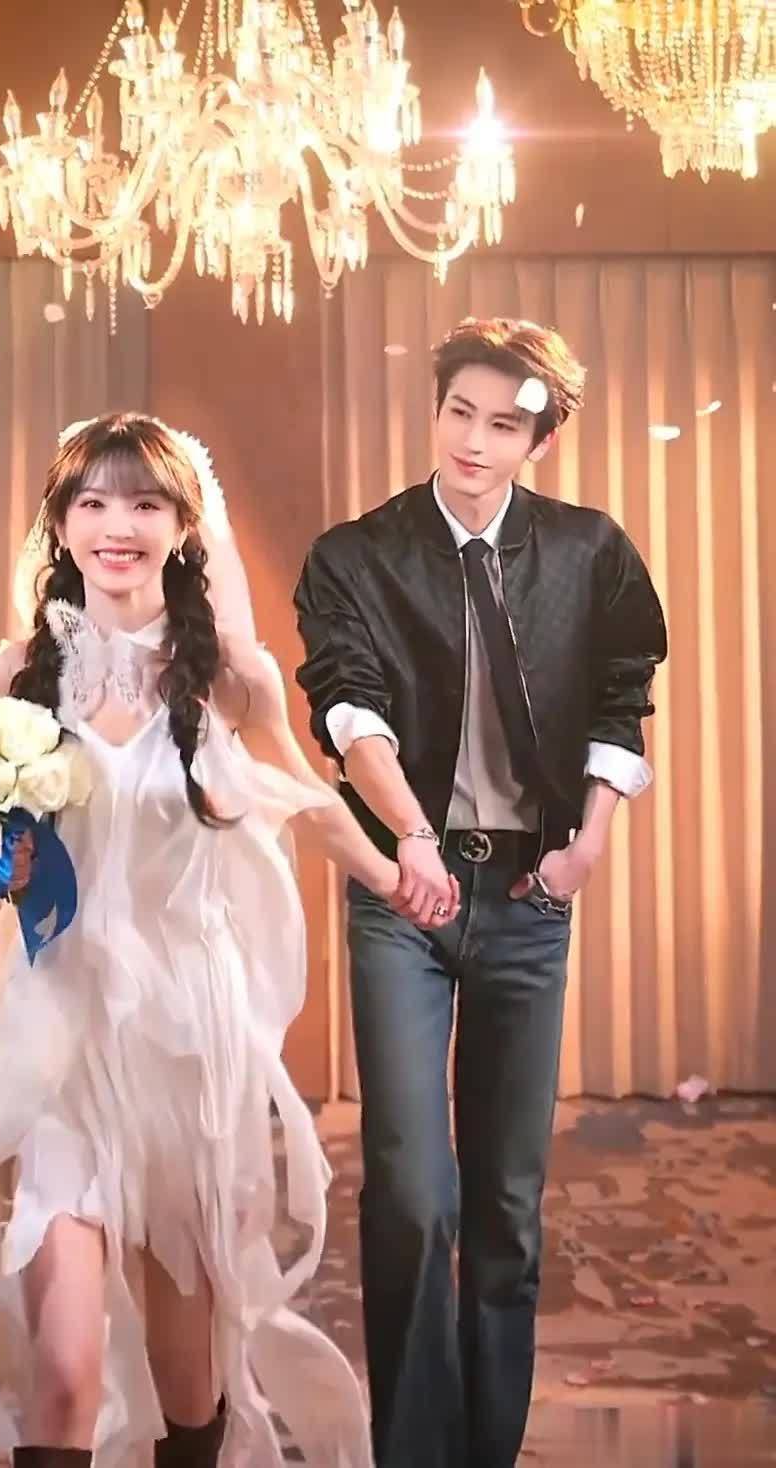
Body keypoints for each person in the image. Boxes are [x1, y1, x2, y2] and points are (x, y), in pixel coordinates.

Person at [0, 413, 416, 1468]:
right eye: (93, 501)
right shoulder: (18, 672)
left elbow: (303, 796)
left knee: (189, 1384)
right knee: (63, 1372)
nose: (118, 525)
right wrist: (2, 857)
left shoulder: (230, 674)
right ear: (61, 523)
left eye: (144, 503)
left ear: (184, 526)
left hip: (186, 1042)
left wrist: (395, 871)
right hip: (61, 1034)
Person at [293, 318, 668, 1468]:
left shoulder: (591, 552)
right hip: (403, 897)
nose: (473, 439)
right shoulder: (356, 556)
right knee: (411, 1191)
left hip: (529, 893)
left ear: (538, 441)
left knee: (507, 1200)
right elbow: (349, 708)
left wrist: (585, 847)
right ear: (436, 409)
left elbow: (621, 698)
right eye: (460, 411)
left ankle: (486, 1451)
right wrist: (408, 835)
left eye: (504, 424)